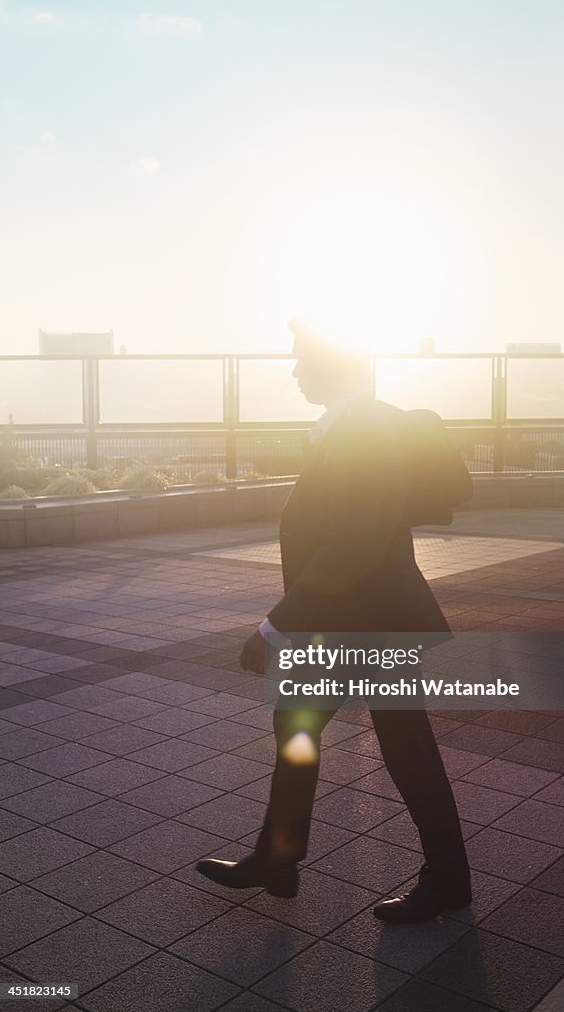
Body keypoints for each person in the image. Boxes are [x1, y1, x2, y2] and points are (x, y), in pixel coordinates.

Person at [197, 319, 472, 921]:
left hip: (371, 620)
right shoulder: (354, 425)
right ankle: (278, 856)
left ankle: (444, 879)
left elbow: (354, 540)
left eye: (301, 360)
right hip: (359, 617)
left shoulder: (363, 429)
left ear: (335, 366)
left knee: (402, 747)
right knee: (301, 724)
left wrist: (274, 626)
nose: (295, 372)